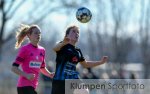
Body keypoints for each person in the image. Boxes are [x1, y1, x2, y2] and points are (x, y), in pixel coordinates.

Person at [52, 25, 108, 94]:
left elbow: (86, 64)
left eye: (78, 32)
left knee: (84, 91)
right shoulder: (62, 45)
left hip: (73, 79)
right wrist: (63, 42)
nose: (77, 33)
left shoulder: (77, 51)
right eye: (74, 31)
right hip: (60, 81)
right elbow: (55, 48)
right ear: (67, 35)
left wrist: (100, 62)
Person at [11, 24, 54, 94]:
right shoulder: (25, 49)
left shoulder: (42, 50)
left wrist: (50, 74)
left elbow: (42, 68)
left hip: (33, 86)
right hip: (23, 87)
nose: (38, 35)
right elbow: (14, 68)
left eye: (39, 33)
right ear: (29, 35)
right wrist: (26, 75)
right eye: (36, 33)